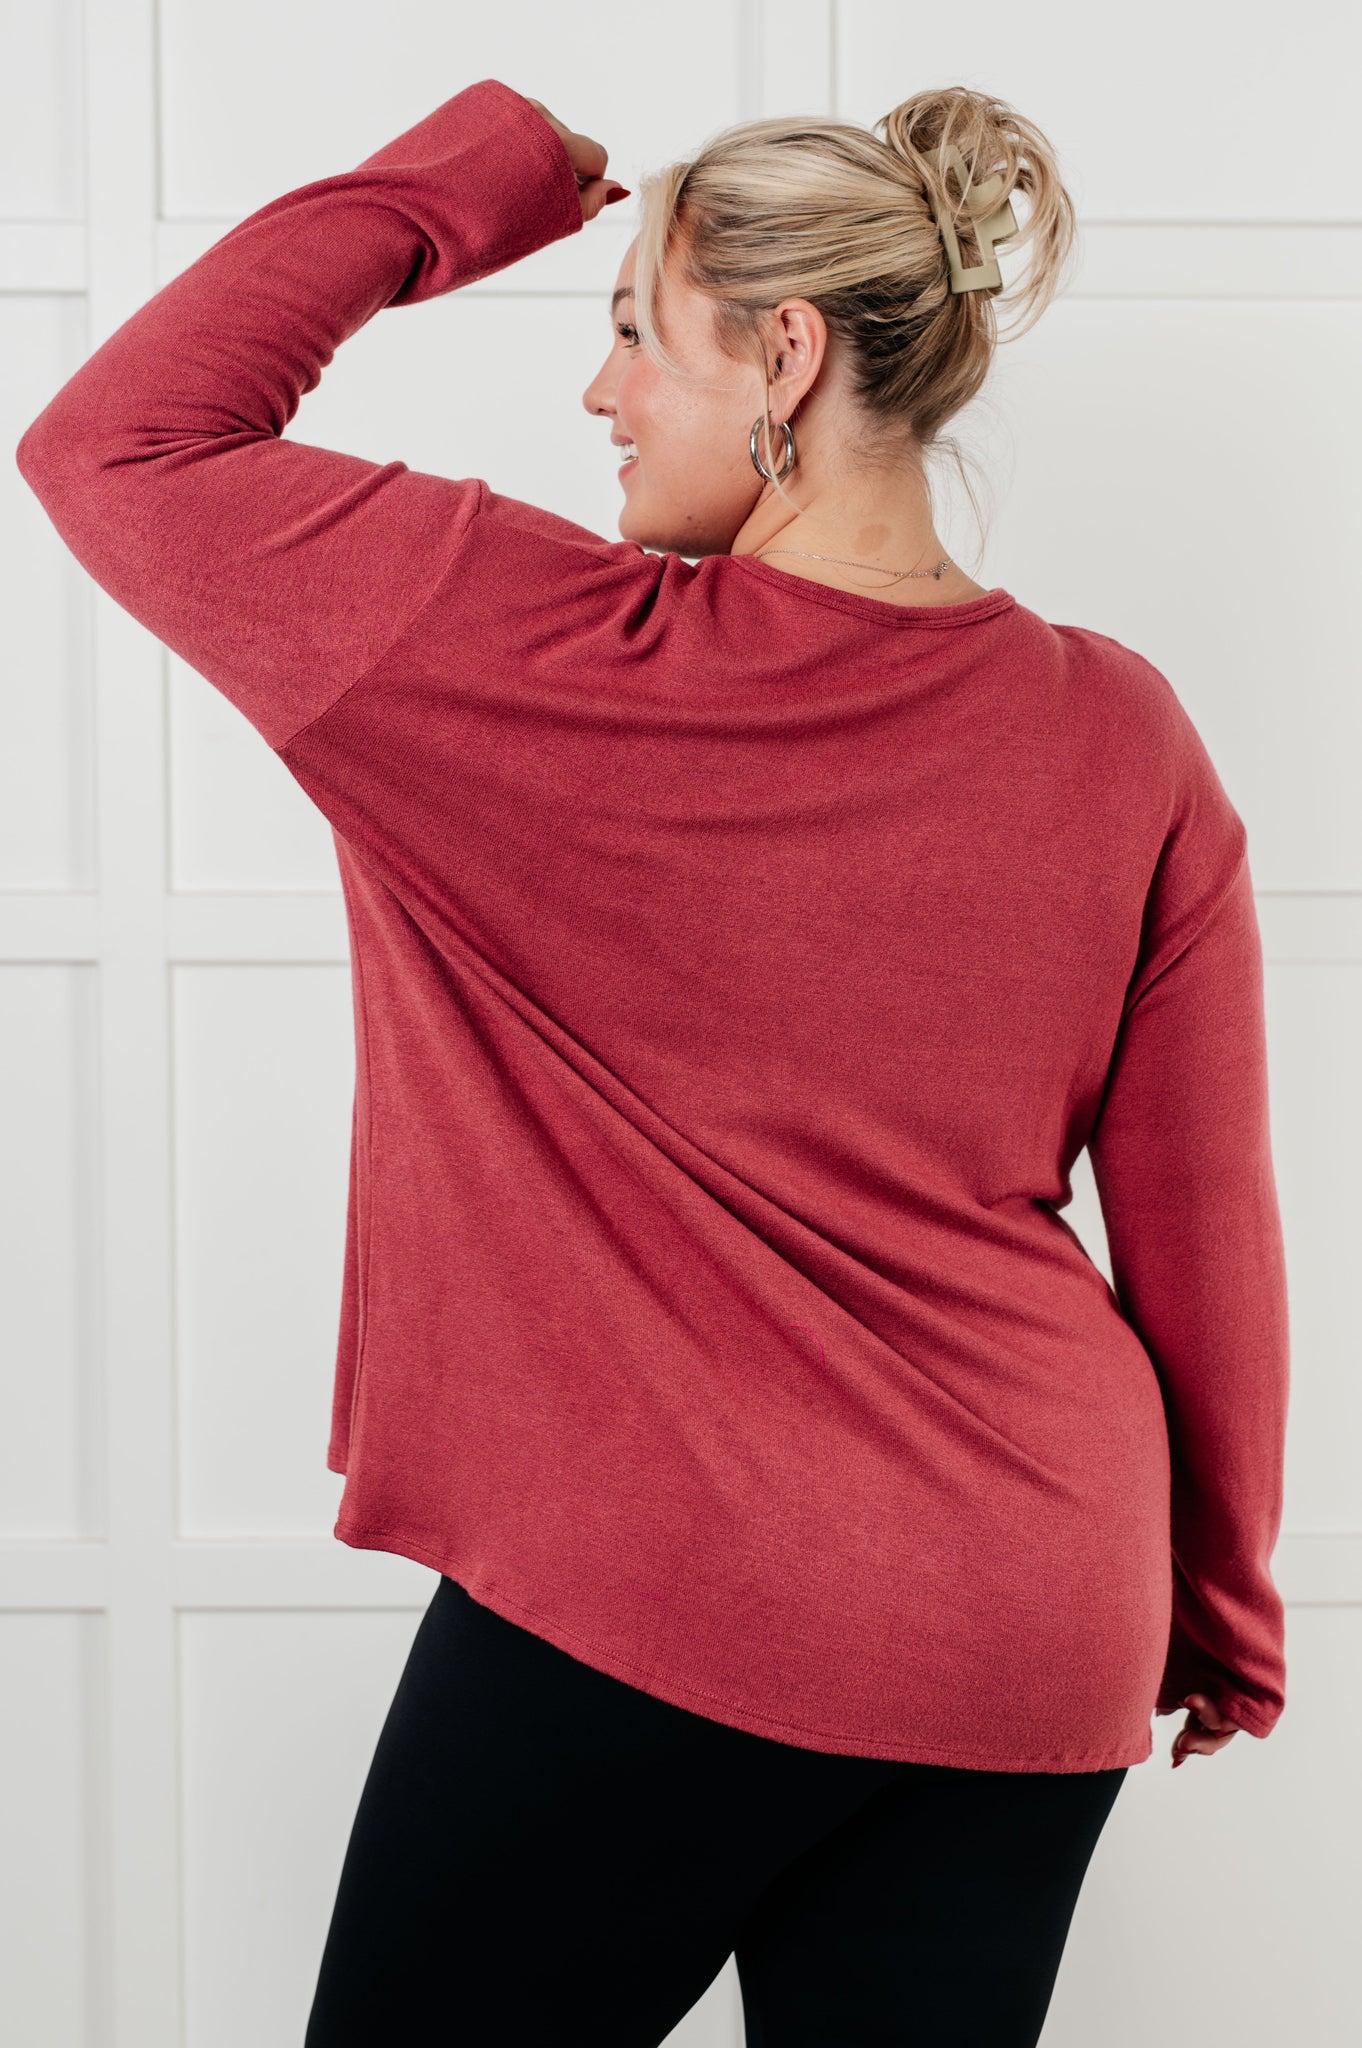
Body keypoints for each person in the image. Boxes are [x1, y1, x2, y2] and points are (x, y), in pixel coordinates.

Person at [15, 73, 1288, 2046]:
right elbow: (1203, 1218)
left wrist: (478, 180)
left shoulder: (503, 647)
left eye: (631, 329)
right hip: (1041, 1608)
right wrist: (1216, 1603)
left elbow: (117, 443)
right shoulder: (1125, 729)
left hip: (676, 1582)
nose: (599, 393)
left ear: (786, 354)